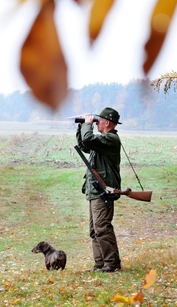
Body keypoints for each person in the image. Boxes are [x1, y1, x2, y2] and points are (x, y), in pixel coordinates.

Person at [76, 107, 122, 272]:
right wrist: (81, 126)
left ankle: (111, 263)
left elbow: (89, 140)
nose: (96, 123)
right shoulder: (102, 141)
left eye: (98, 121)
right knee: (95, 230)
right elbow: (84, 144)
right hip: (95, 191)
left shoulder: (111, 140)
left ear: (107, 122)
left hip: (103, 191)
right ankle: (100, 263)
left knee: (102, 227)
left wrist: (87, 125)